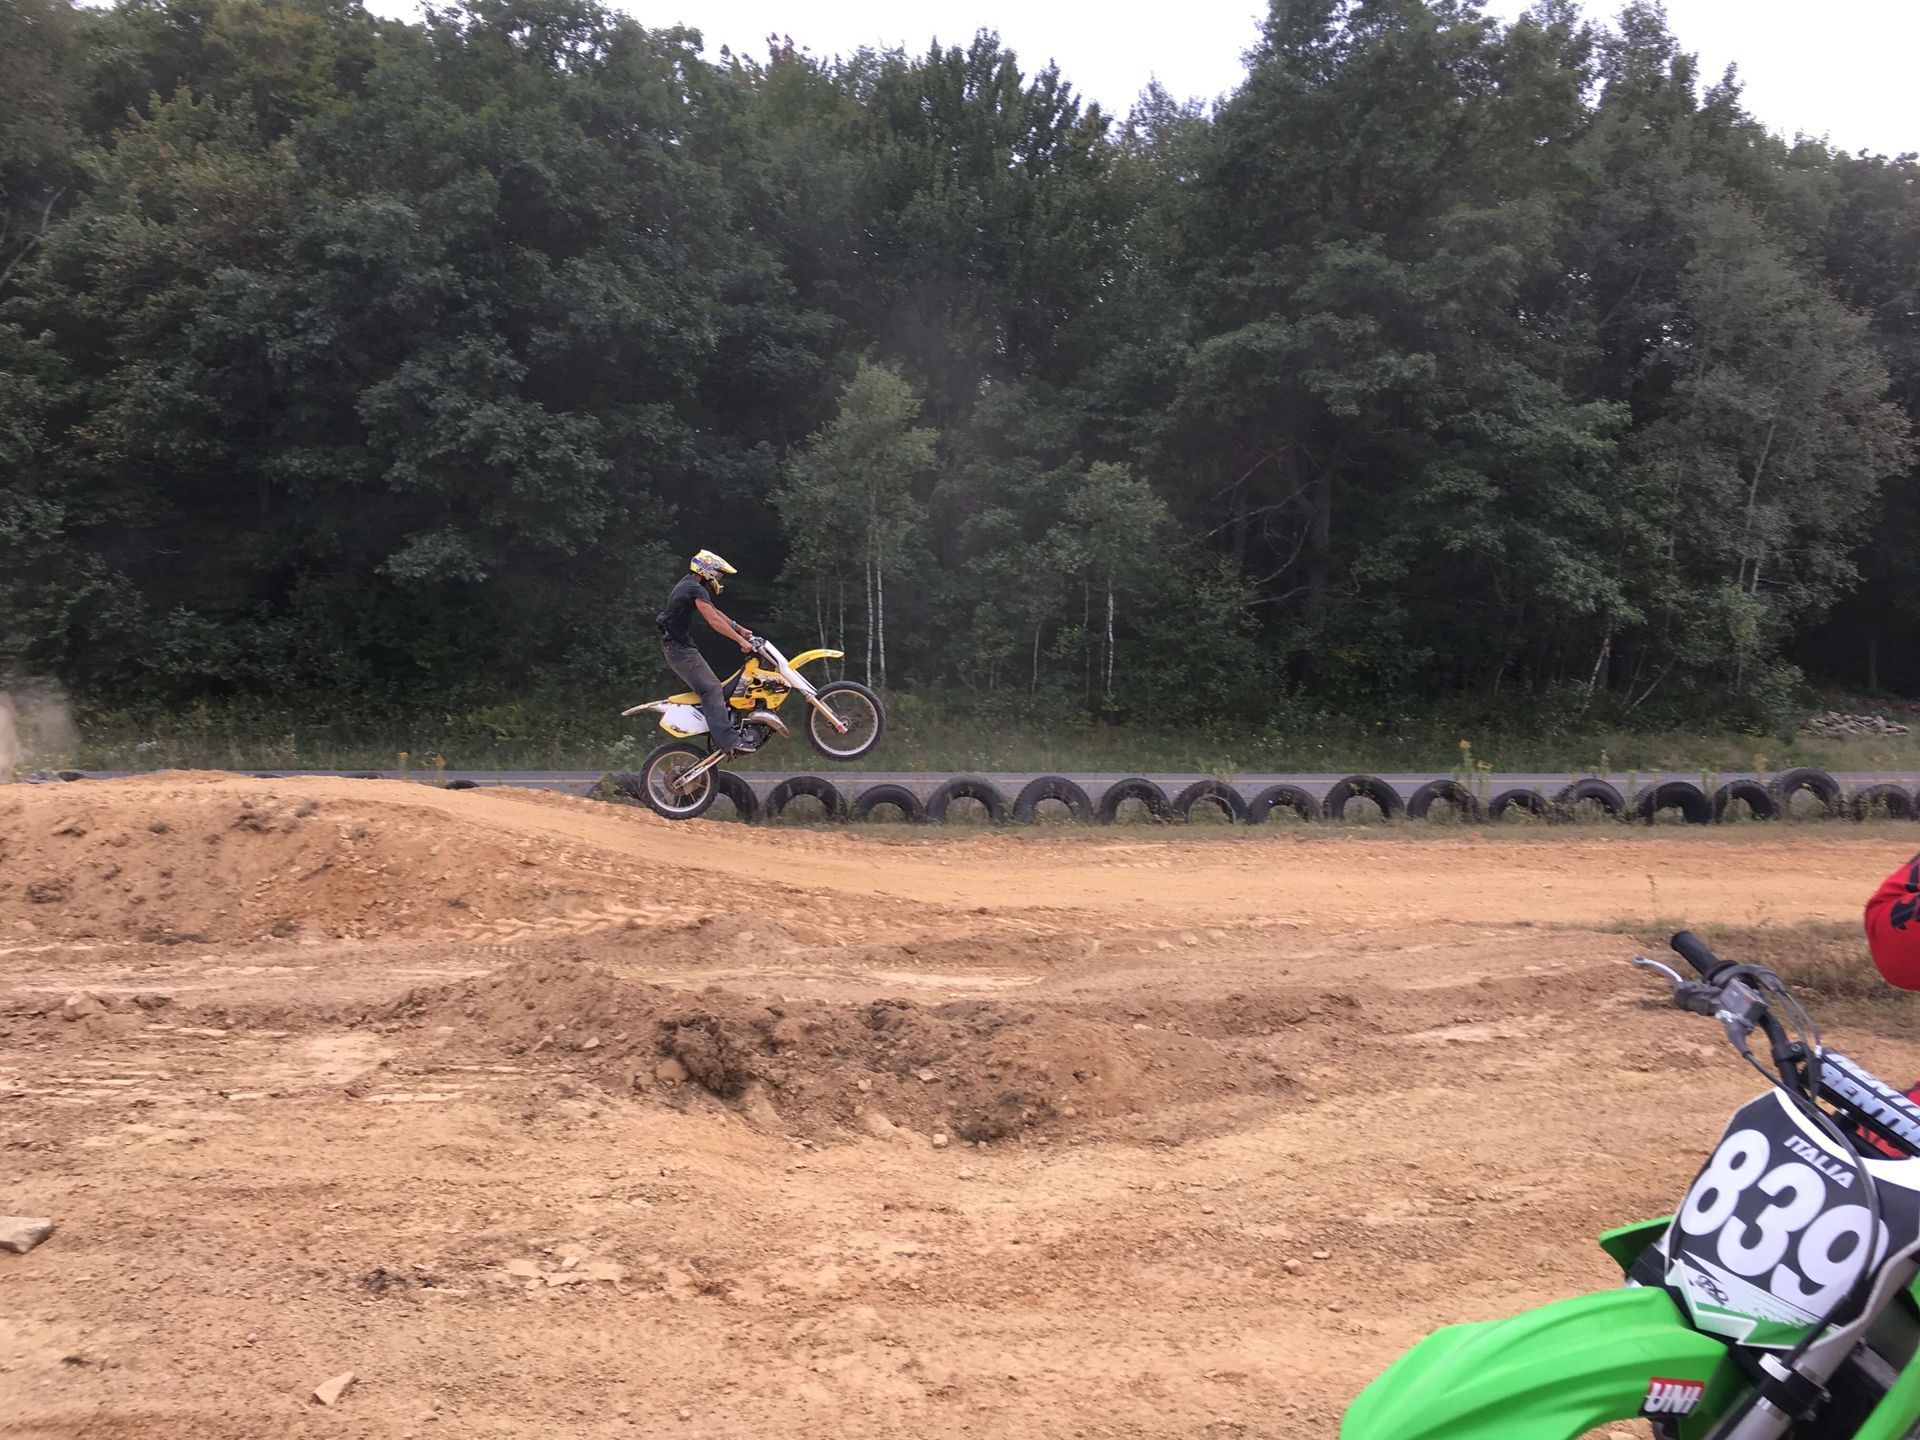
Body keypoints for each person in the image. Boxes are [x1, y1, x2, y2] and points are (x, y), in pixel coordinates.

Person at [656, 550, 785, 755]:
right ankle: (729, 741)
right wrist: (741, 641)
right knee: (711, 688)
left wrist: (739, 628)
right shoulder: (693, 588)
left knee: (719, 689)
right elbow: (713, 621)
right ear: (705, 570)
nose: (717, 578)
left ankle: (728, 726)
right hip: (679, 650)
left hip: (679, 648)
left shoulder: (690, 586)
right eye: (717, 573)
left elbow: (714, 612)